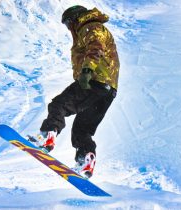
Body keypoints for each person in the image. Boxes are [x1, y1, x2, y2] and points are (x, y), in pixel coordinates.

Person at [34, 5, 120, 178]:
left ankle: (48, 135)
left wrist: (87, 71)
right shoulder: (92, 28)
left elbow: (96, 47)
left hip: (93, 82)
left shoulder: (90, 26)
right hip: (108, 91)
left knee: (59, 105)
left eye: (67, 24)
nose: (68, 29)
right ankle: (85, 160)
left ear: (74, 19)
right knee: (82, 130)